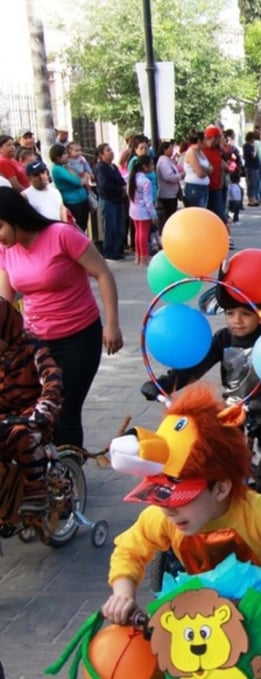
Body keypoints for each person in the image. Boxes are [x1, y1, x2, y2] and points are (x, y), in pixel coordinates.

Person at [103, 384, 261, 625]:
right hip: (199, 632)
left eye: (182, 498)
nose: (169, 508)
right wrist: (123, 592)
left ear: (221, 488)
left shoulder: (256, 512)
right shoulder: (164, 518)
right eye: (162, 496)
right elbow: (129, 549)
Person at [0, 188, 122, 447]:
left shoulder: (62, 235)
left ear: (13, 216)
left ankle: (68, 477)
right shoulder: (6, 251)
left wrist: (112, 324)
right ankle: (48, 470)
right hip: (35, 343)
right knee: (36, 409)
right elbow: (4, 303)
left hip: (78, 339)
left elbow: (103, 274)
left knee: (65, 408)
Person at [140, 282, 261, 489]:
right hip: (232, 404)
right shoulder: (223, 338)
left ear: (259, 314)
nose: (237, 321)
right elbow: (195, 367)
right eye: (230, 313)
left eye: (246, 313)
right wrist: (163, 384)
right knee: (212, 436)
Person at [0, 299, 61, 514]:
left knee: (20, 435)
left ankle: (36, 489)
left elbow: (51, 376)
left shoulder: (32, 347)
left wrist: (45, 406)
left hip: (30, 415)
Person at [94, 143, 127, 261]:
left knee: (119, 227)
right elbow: (104, 185)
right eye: (108, 150)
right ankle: (109, 251)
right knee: (110, 227)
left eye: (111, 149)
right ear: (101, 154)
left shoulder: (113, 166)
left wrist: (123, 187)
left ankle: (117, 250)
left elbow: (121, 179)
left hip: (118, 200)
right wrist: (119, 189)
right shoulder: (100, 167)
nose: (111, 152)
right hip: (108, 200)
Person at [48, 144, 89, 232]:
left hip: (82, 200)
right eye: (65, 154)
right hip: (73, 202)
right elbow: (77, 182)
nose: (68, 156)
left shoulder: (65, 166)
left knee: (83, 226)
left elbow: (77, 176)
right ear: (57, 157)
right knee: (78, 228)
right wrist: (85, 178)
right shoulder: (57, 169)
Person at [127, 155, 157, 266]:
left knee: (138, 233)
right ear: (145, 167)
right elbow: (148, 201)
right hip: (144, 212)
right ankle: (144, 257)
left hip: (134, 210)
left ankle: (138, 256)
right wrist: (153, 215)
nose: (153, 166)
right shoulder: (145, 182)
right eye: (151, 164)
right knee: (143, 234)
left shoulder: (132, 178)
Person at [155, 140, 181, 229]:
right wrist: (180, 176)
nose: (172, 150)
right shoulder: (163, 162)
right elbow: (169, 177)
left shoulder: (168, 160)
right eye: (170, 148)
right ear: (164, 150)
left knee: (172, 213)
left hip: (172, 193)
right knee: (169, 214)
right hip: (167, 194)